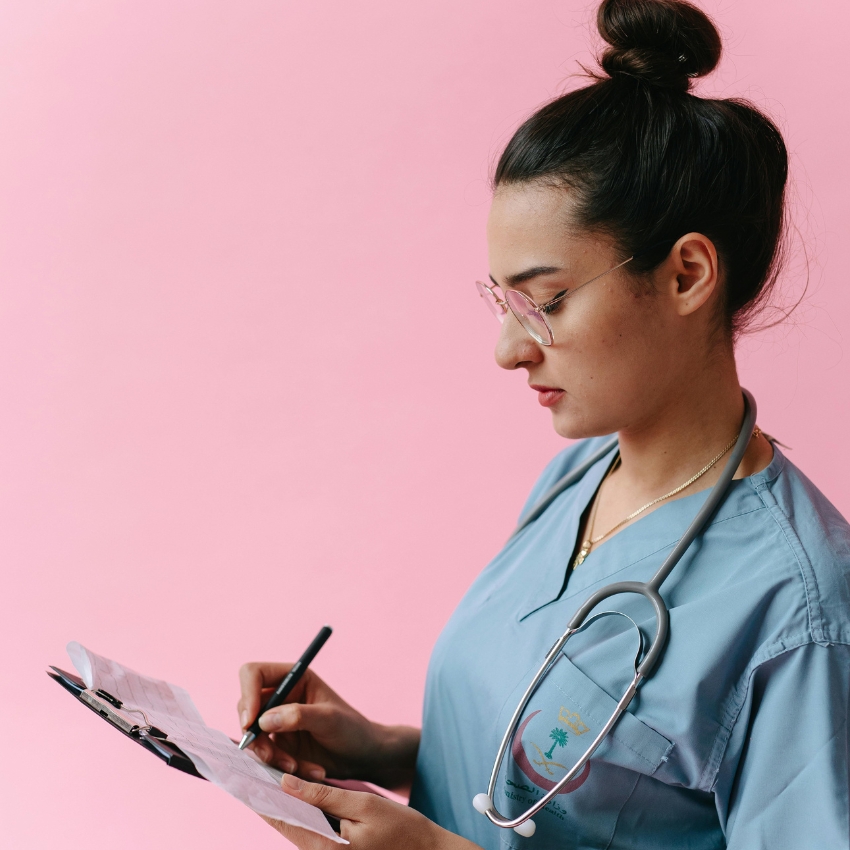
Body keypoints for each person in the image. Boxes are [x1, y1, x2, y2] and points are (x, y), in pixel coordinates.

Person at [237, 0, 850, 847]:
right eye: (501, 301)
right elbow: (574, 799)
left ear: (686, 276)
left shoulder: (800, 614)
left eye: (544, 300)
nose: (506, 350)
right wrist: (381, 750)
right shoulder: (579, 476)